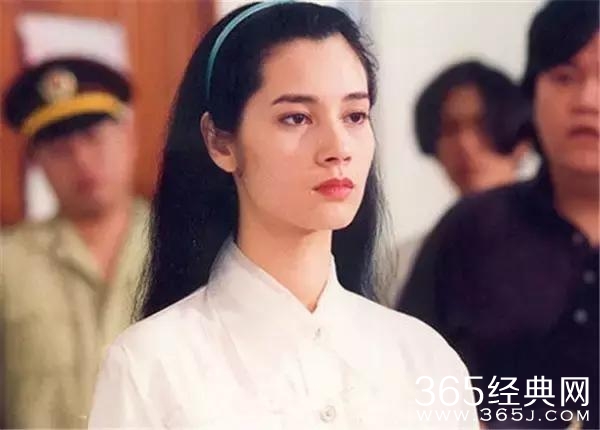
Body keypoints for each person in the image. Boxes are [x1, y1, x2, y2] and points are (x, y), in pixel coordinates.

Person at [88, 2, 477, 428]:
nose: (338, 148)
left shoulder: (424, 359)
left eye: (354, 116)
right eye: (296, 118)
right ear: (220, 142)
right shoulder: (150, 367)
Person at [399, 1, 598, 428]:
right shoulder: (469, 230)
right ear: (532, 94)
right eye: (565, 77)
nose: (587, 100)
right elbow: (402, 382)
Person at [0, 57, 148, 427]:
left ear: (129, 138)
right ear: (37, 161)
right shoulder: (8, 264)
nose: (81, 159)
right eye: (59, 148)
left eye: (93, 136)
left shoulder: (187, 246)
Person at [378, 60, 531, 308]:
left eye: (483, 126)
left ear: (521, 138)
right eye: (450, 129)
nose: (465, 145)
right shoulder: (403, 265)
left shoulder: (565, 247)